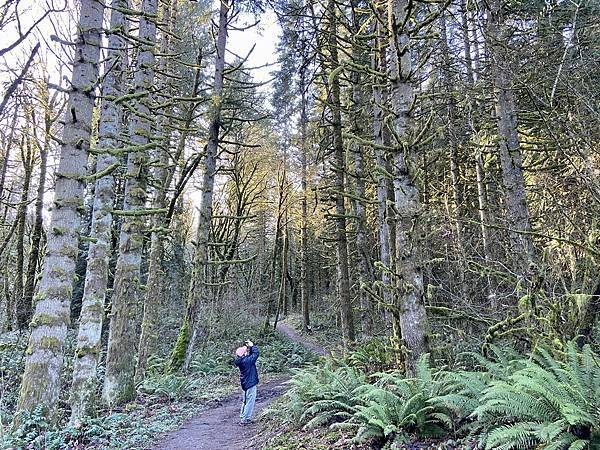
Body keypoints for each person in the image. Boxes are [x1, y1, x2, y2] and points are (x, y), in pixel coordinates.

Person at [234, 340, 259, 425]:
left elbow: (251, 356)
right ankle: (245, 419)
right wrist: (252, 346)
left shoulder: (242, 361)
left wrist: (250, 347)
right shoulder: (247, 361)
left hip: (245, 383)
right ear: (243, 354)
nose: (247, 352)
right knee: (250, 401)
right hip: (250, 383)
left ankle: (244, 417)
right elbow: (255, 355)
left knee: (245, 401)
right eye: (245, 351)